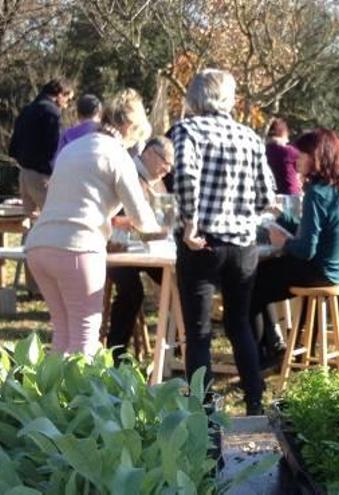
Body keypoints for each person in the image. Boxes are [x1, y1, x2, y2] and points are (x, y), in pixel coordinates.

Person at [24, 89, 160, 356]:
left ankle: (47, 396)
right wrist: (162, 230)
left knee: (62, 334)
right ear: (129, 126)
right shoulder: (117, 155)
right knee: (85, 337)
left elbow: (71, 198)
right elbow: (141, 218)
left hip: (39, 246)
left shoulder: (72, 148)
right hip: (78, 249)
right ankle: (80, 397)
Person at [171, 69, 275, 416]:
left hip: (203, 241)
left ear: (194, 98)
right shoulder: (250, 137)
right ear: (229, 99)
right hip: (243, 244)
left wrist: (190, 221)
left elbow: (184, 175)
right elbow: (266, 195)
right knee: (239, 323)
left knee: (199, 333)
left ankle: (205, 412)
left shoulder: (187, 130)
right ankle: (255, 401)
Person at [250, 129, 339, 340]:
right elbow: (313, 229)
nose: (296, 160)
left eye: (302, 155)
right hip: (336, 271)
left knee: (248, 285)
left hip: (316, 272)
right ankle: (274, 345)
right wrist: (281, 215)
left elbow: (306, 250)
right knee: (258, 280)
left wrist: (284, 243)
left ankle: (262, 353)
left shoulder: (316, 193)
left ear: (317, 157)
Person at [106, 136, 175, 364]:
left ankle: (176, 349)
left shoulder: (157, 181)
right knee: (132, 291)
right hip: (117, 248)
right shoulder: (128, 172)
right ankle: (116, 355)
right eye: (165, 161)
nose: (168, 168)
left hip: (151, 249)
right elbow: (113, 217)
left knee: (176, 282)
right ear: (149, 153)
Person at [9, 79, 74, 218]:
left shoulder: (27, 109)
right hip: (41, 176)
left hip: (24, 174)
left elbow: (13, 145)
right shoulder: (52, 113)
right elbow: (54, 147)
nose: (67, 105)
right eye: (68, 99)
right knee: (55, 219)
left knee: (31, 223)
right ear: (60, 95)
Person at [265, 117, 301, 195]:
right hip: (290, 193)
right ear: (284, 133)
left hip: (272, 193)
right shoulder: (289, 152)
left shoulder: (264, 150)